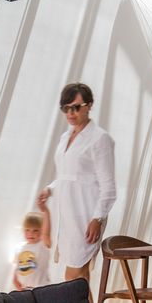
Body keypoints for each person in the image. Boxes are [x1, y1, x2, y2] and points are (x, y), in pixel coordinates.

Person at [37, 82, 116, 282]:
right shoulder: (65, 137)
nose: (71, 113)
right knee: (80, 280)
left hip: (86, 215)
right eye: (66, 108)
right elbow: (68, 175)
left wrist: (97, 218)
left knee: (73, 277)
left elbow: (108, 187)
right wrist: (50, 189)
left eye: (76, 107)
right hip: (66, 215)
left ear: (89, 105)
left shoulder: (100, 139)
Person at [11, 207, 51, 290]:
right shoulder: (19, 247)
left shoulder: (42, 245)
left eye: (35, 230)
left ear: (41, 231)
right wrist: (16, 282)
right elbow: (18, 268)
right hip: (25, 289)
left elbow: (46, 233)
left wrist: (46, 211)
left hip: (41, 289)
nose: (30, 233)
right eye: (27, 230)